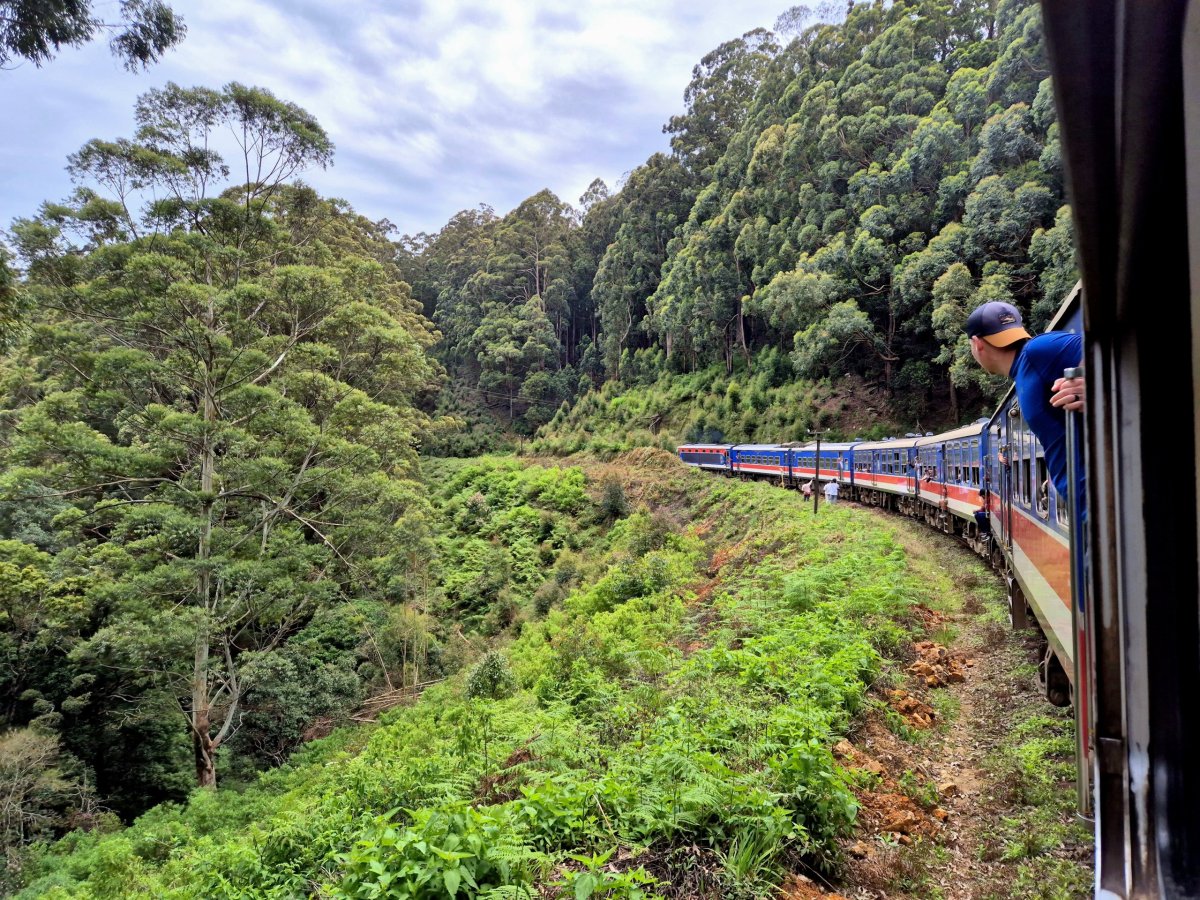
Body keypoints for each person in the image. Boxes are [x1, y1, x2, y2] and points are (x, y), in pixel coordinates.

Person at [965, 301, 1085, 509]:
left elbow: (1125, 351)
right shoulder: (1025, 369)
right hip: (1091, 510)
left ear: (977, 343)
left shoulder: (1038, 350)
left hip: (1110, 505)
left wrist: (1101, 384)